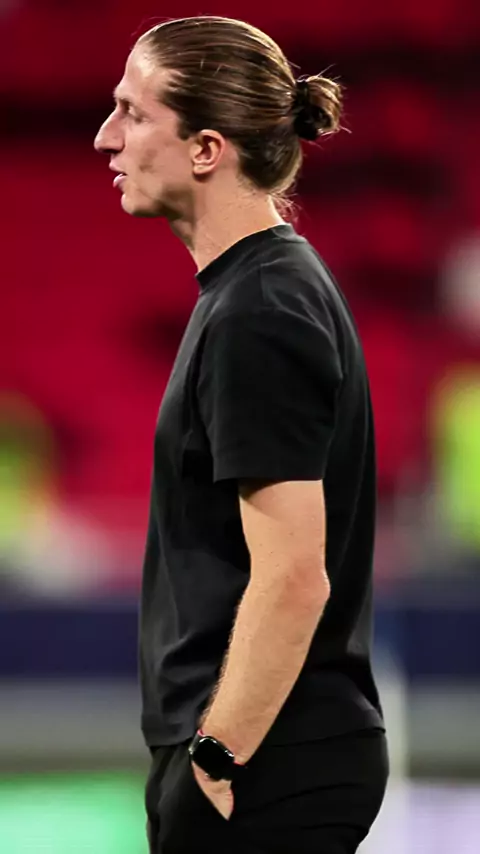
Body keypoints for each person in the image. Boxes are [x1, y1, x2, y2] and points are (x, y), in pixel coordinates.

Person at [94, 15, 388, 854]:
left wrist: (214, 756)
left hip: (260, 762)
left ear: (205, 149)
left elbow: (294, 577)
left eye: (133, 112)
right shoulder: (259, 292)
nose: (107, 136)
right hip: (268, 755)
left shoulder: (260, 309)